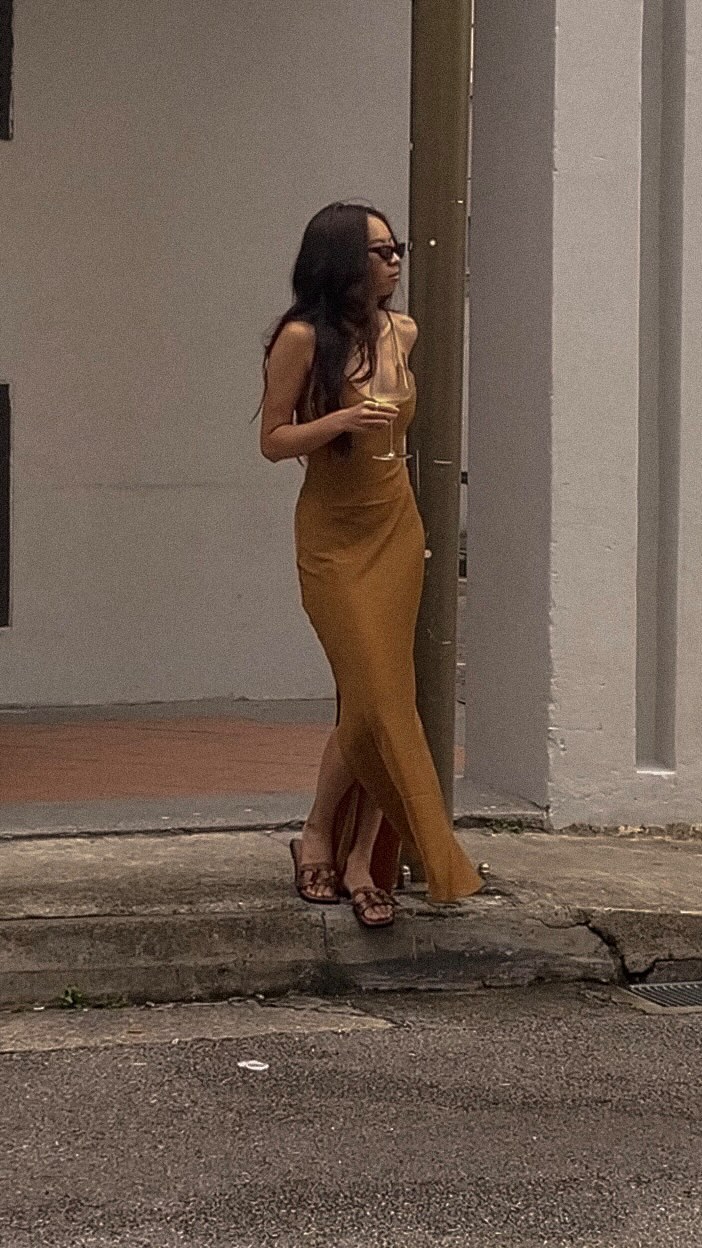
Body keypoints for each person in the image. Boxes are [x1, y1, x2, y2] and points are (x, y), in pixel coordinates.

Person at [259, 201, 484, 928]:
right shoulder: (301, 338)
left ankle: (351, 854)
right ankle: (400, 847)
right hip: (333, 536)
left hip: (395, 526)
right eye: (380, 252)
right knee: (377, 698)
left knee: (378, 696)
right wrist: (341, 420)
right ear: (340, 263)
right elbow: (273, 440)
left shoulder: (402, 331)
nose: (393, 263)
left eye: (397, 251)